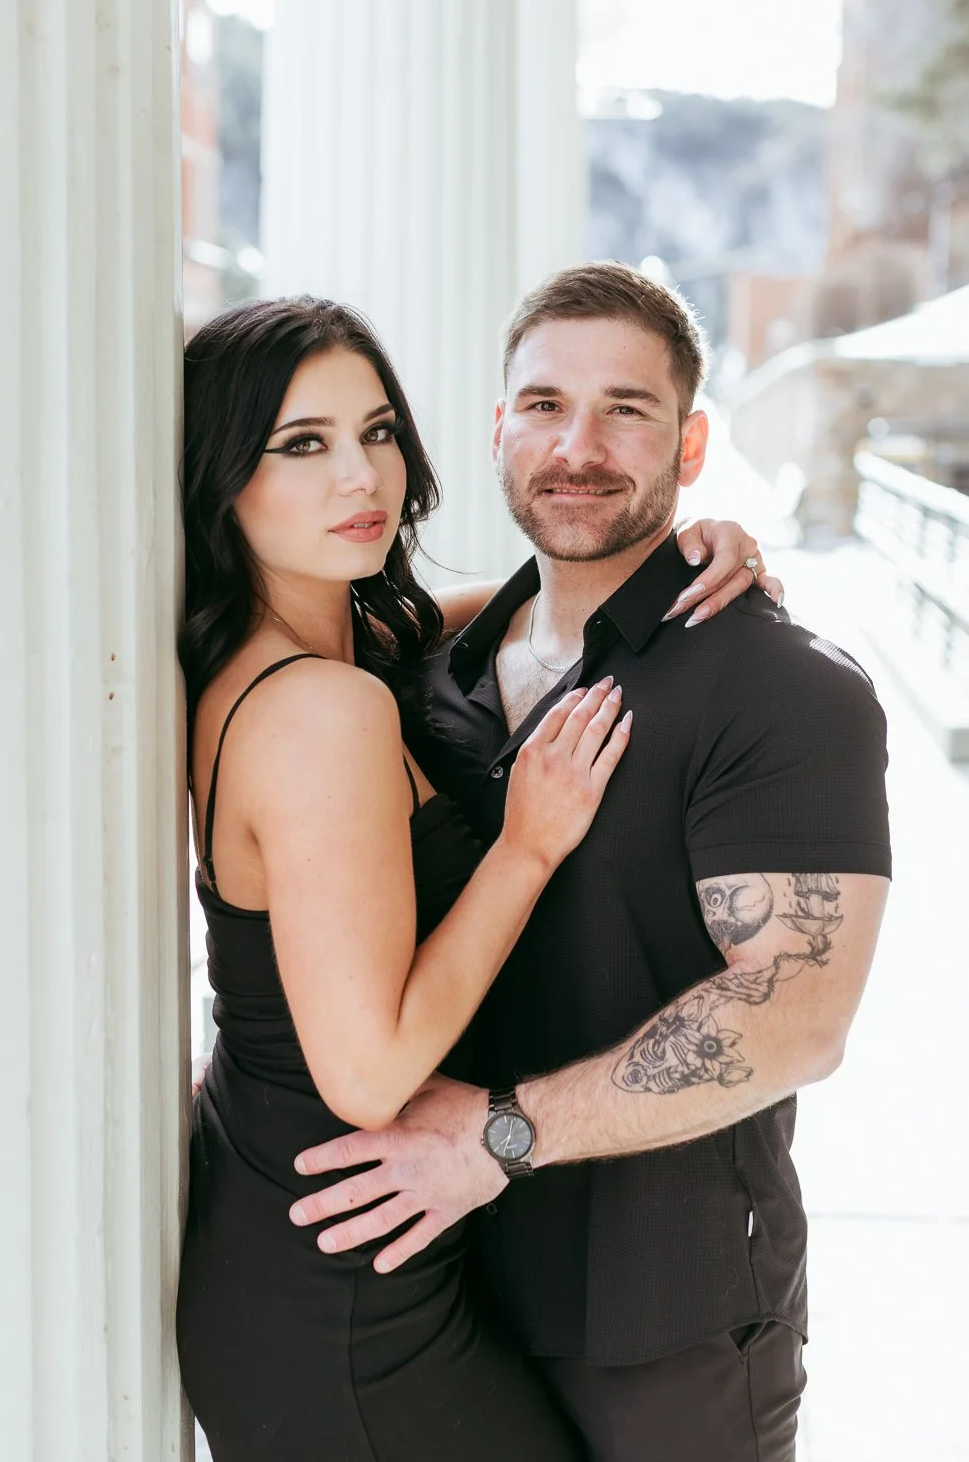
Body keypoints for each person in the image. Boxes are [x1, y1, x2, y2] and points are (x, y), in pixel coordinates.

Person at [287, 263, 892, 1462]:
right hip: (434, 1290)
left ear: (690, 445)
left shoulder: (783, 689)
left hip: (661, 1323)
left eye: (626, 409)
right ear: (497, 430)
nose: (578, 446)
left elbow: (796, 1015)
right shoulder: (432, 671)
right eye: (545, 405)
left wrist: (494, 1138)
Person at [175, 293, 771, 1461]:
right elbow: (370, 1073)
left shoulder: (313, 654)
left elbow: (470, 618)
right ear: (220, 477)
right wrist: (525, 846)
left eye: (376, 430)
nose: (362, 476)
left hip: (320, 1246)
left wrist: (672, 558)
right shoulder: (319, 712)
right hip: (344, 1301)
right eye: (302, 445)